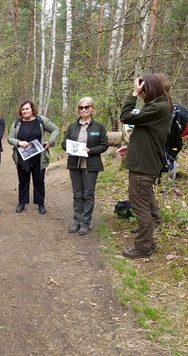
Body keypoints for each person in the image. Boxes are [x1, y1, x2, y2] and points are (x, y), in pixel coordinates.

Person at [117, 73, 172, 259]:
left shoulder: (159, 107)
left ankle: (143, 247)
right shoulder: (158, 106)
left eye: (143, 90)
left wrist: (133, 93)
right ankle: (149, 233)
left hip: (143, 167)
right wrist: (131, 147)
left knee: (139, 205)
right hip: (144, 161)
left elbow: (125, 116)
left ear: (150, 88)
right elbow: (147, 134)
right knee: (145, 200)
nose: (141, 94)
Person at [61, 97, 108, 235]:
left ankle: (85, 223)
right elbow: (64, 143)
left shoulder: (99, 127)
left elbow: (104, 145)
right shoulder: (72, 126)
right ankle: (77, 221)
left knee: (88, 194)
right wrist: (71, 148)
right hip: (74, 164)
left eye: (86, 107)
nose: (83, 110)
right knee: (77, 194)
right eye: (81, 107)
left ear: (92, 108)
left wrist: (90, 151)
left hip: (91, 165)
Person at [8, 100, 59, 215]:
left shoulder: (41, 121)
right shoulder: (17, 123)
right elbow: (10, 138)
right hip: (22, 158)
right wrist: (18, 142)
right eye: (23, 109)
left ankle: (40, 204)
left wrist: (50, 142)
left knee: (39, 181)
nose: (25, 111)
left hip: (39, 158)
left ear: (32, 109)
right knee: (23, 181)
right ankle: (22, 203)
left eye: (27, 109)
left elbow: (55, 129)